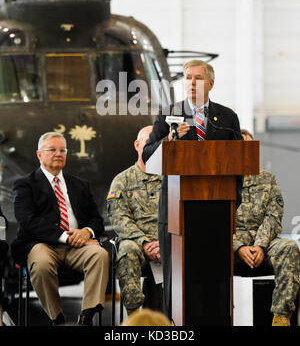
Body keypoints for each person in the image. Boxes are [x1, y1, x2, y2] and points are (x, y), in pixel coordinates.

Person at [142, 59, 243, 319]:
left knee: (214, 279)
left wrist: (235, 202)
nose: (192, 83)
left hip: (216, 210)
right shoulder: (169, 114)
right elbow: (148, 156)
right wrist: (169, 139)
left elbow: (239, 162)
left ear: (210, 83)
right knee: (179, 280)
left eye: (198, 78)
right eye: (188, 78)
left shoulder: (227, 117)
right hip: (178, 213)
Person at [12, 131, 109, 326]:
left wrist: (86, 232)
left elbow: (96, 220)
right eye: (52, 150)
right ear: (39, 154)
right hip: (42, 244)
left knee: (100, 255)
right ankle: (57, 318)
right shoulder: (25, 185)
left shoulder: (80, 185)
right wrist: (65, 236)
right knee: (40, 264)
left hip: (79, 246)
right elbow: (27, 221)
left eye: (62, 150)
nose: (58, 154)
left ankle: (87, 316)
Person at [234, 129, 300, 327]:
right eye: (240, 146)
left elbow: (273, 217)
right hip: (231, 245)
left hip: (264, 243)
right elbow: (216, 222)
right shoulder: (219, 180)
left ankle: (281, 317)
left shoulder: (267, 179)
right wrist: (238, 246)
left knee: (289, 248)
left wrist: (260, 246)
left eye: (249, 147)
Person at [107, 126, 162, 316]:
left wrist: (166, 243)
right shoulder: (122, 180)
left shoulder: (174, 178)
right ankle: (134, 317)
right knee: (127, 249)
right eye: (148, 142)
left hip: (170, 242)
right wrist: (145, 243)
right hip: (138, 244)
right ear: (137, 145)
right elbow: (119, 219)